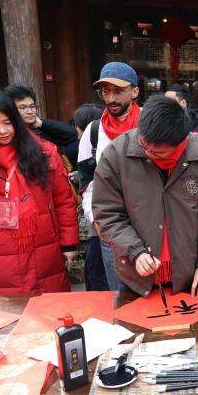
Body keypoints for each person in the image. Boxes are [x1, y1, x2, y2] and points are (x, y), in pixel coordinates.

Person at [92, 94, 198, 297]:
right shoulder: (116, 155)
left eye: (158, 153)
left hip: (190, 274)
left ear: (181, 142)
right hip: (135, 274)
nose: (147, 154)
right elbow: (106, 214)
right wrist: (134, 251)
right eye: (144, 146)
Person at [0, 89, 78, 295]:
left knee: (48, 309)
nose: (2, 131)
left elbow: (63, 200)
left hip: (46, 250)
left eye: (7, 123)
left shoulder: (44, 152)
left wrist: (68, 244)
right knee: (7, 312)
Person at [77, 61, 141, 292]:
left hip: (148, 224)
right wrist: (95, 219)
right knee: (119, 292)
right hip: (110, 225)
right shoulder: (93, 132)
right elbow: (87, 181)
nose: (111, 98)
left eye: (118, 91)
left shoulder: (150, 124)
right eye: (106, 91)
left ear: (134, 91)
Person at [72, 103, 109, 292]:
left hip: (104, 229)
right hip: (99, 226)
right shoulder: (90, 143)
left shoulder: (98, 139)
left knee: (99, 278)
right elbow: (89, 180)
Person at [4, 83, 79, 167]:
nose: (30, 111)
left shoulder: (42, 130)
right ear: (11, 110)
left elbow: (73, 134)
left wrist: (43, 124)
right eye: (23, 107)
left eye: (32, 106)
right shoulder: (7, 135)